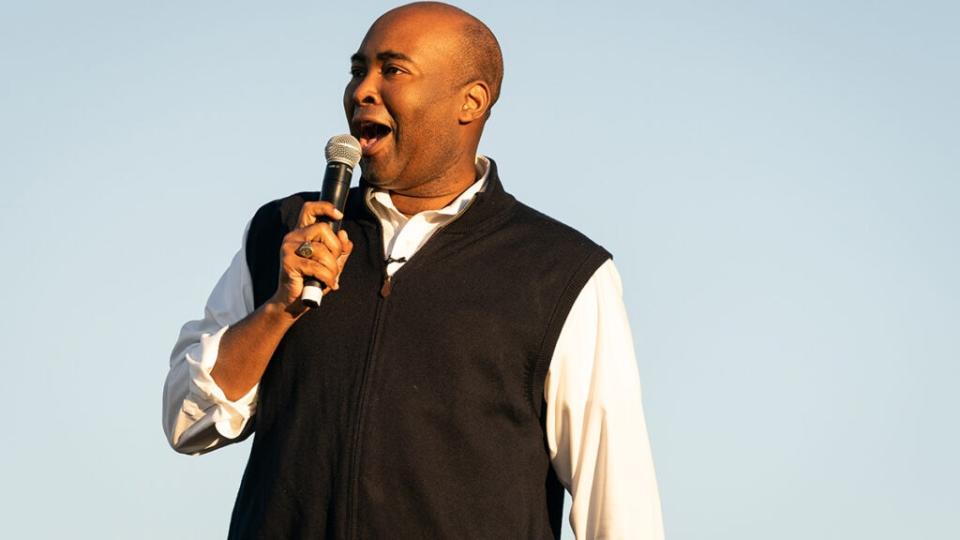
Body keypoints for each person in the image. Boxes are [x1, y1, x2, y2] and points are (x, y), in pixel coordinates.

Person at [162, 2, 663, 538]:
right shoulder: (284, 233)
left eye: (393, 70)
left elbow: (618, 505)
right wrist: (279, 309)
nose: (361, 91)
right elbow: (187, 420)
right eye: (358, 70)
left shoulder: (559, 271)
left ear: (470, 101)